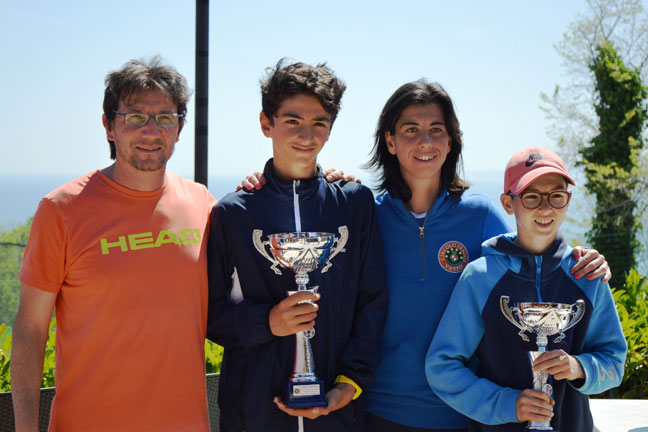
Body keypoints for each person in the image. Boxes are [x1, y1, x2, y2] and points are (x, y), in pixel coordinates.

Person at [242, 80, 611, 432]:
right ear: (389, 140)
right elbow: (305, 235)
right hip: (375, 409)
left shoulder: (482, 216)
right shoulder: (365, 215)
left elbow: (533, 262)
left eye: (437, 129)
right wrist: (265, 186)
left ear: (451, 142)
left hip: (463, 414)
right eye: (410, 130)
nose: (425, 141)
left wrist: (579, 258)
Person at [11, 57, 215, 432]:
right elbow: (30, 330)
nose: (151, 130)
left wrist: (316, 182)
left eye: (165, 117)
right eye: (135, 117)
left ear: (180, 129)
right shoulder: (61, 210)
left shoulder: (202, 204)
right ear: (108, 125)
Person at [206, 59, 388, 432]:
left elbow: (372, 301)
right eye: (292, 121)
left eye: (319, 123)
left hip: (338, 412)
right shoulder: (233, 213)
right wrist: (266, 323)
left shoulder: (354, 203)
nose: (307, 135)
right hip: (254, 414)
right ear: (266, 123)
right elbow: (208, 315)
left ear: (330, 129)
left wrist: (348, 385)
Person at [425, 146, 626, 432]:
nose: (545, 208)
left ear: (568, 200)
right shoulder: (480, 278)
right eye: (531, 197)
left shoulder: (587, 275)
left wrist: (578, 367)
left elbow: (614, 363)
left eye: (556, 196)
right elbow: (442, 367)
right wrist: (508, 404)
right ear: (508, 203)